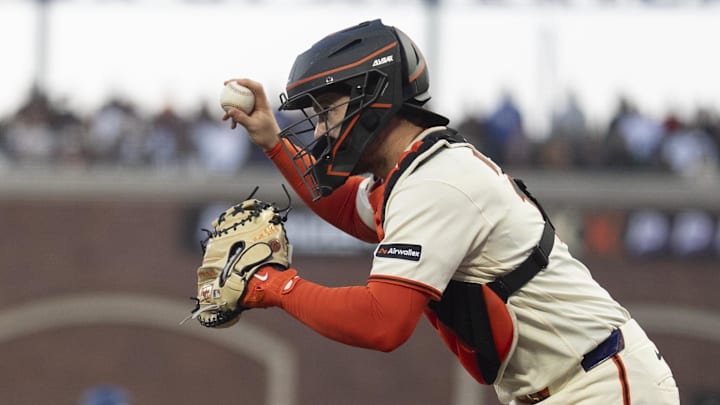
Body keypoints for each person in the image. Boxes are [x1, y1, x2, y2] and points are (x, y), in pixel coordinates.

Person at [222, 19, 679, 404]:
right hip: (577, 382)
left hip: (600, 384)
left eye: (329, 109)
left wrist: (275, 286)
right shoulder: (413, 172)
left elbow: (382, 323)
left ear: (372, 96)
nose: (320, 127)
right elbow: (345, 208)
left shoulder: (433, 181)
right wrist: (275, 142)